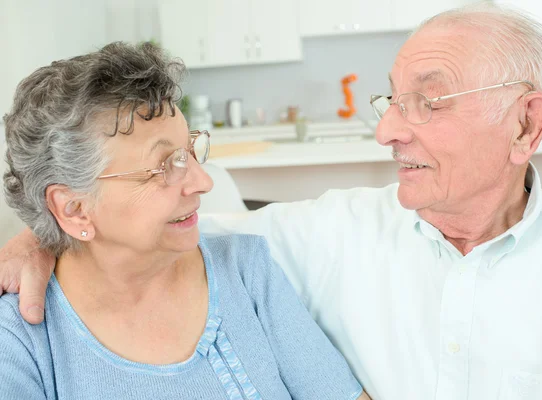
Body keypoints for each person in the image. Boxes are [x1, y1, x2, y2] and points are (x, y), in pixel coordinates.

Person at [2, 3, 542, 400]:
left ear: (526, 125)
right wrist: (47, 232)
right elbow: (155, 235)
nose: (387, 130)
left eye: (430, 101)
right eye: (390, 99)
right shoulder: (325, 235)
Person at [0, 41, 370, 400]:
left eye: (190, 152)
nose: (203, 182)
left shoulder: (244, 268)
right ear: (74, 209)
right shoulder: (20, 340)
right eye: (165, 166)